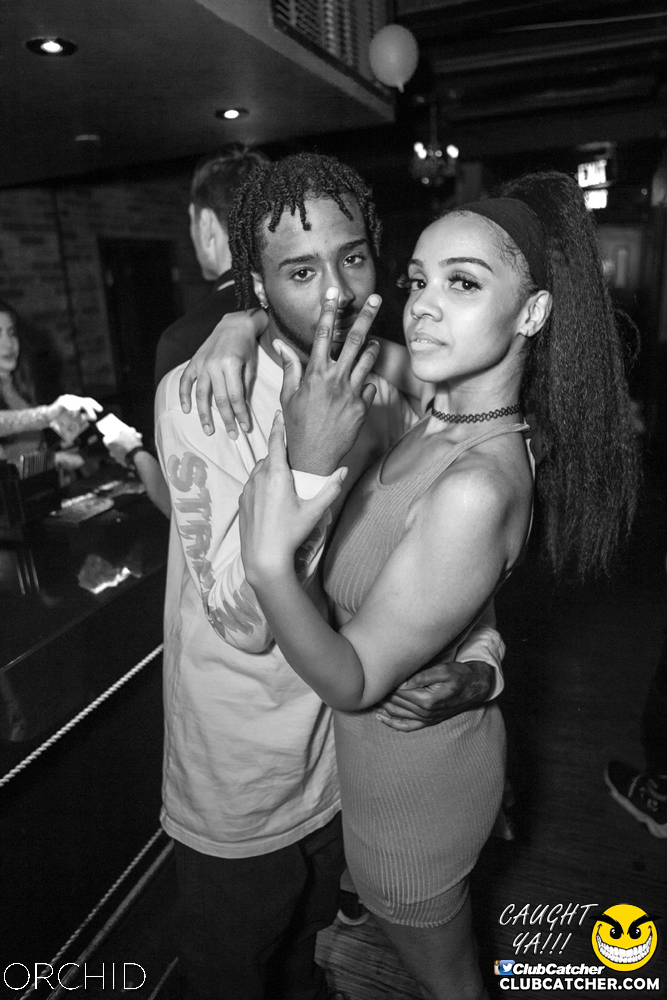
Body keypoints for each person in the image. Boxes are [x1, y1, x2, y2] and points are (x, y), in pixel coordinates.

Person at [233, 169, 640, 1000]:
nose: (420, 305)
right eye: (417, 280)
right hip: (397, 762)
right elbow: (450, 594)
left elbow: (354, 679)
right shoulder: (433, 422)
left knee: (451, 984)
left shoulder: (475, 485)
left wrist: (269, 563)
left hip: (410, 798)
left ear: (532, 314)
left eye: (462, 284)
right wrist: (234, 328)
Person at [155, 153, 507, 1000]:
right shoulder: (201, 396)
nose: (337, 294)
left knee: (306, 959)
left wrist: (481, 663)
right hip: (241, 784)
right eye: (300, 272)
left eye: (351, 258)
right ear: (257, 284)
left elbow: (443, 548)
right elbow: (246, 623)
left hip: (347, 763)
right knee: (232, 977)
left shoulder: (397, 378)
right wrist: (308, 464)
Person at [103, 146, 270, 516]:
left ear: (206, 225)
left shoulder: (183, 340)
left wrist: (134, 453)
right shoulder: (298, 311)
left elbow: (183, 506)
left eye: (191, 221)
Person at [0, 299, 101, 469]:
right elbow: (7, 474)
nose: (9, 344)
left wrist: (60, 447)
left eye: (12, 333)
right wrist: (53, 459)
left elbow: (28, 455)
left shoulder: (21, 386)